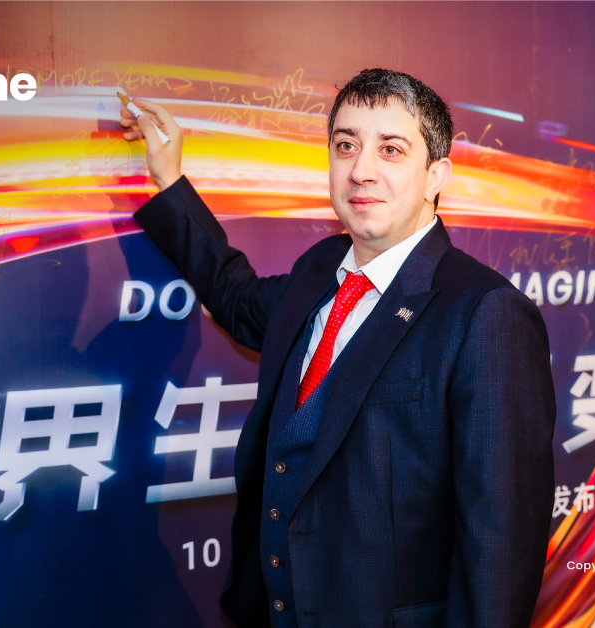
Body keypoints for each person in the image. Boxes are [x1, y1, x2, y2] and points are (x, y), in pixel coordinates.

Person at [120, 69, 555, 628]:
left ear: (435, 175)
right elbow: (237, 298)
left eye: (390, 149)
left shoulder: (486, 313)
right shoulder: (319, 269)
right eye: (346, 145)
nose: (360, 170)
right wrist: (169, 179)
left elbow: (499, 555)